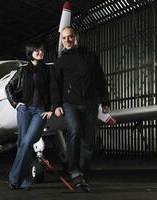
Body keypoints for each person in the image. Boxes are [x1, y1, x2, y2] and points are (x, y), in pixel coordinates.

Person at [51, 26, 110, 192]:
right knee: (75, 131)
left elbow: (100, 79)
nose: (67, 40)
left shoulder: (91, 57)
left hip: (91, 103)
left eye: (69, 37)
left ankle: (83, 171)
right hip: (70, 104)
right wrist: (56, 105)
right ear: (61, 41)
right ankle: (75, 172)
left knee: (89, 139)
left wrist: (105, 101)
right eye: (64, 38)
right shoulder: (60, 62)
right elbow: (55, 85)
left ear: (76, 37)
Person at [6, 42, 52, 191]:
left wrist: (51, 108)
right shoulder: (22, 71)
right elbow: (9, 87)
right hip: (24, 109)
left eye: (42, 50)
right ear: (30, 52)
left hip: (40, 111)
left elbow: (54, 90)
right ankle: (26, 182)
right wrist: (16, 104)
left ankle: (14, 178)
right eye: (37, 50)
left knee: (26, 143)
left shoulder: (48, 71)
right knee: (22, 144)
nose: (40, 52)